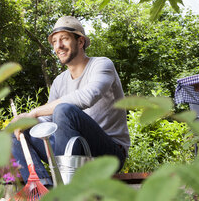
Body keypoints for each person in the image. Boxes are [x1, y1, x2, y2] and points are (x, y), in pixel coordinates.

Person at [11, 16, 130, 186]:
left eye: (64, 39)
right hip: (71, 151)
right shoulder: (60, 81)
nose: (58, 46)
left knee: (64, 110)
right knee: (15, 128)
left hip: (108, 154)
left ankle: (66, 189)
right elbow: (48, 121)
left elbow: (87, 97)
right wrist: (26, 119)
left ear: (80, 42)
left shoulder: (102, 65)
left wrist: (34, 112)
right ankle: (43, 190)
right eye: (54, 41)